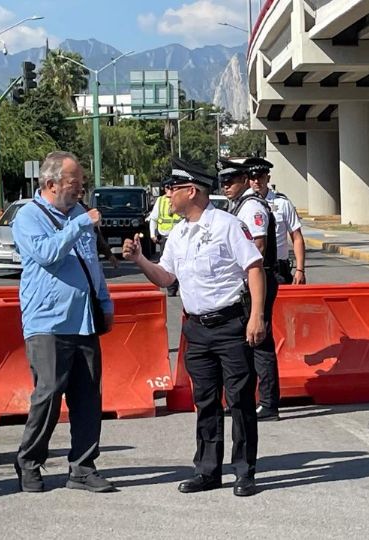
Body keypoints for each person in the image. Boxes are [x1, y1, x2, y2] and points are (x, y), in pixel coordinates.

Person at [121, 159, 266, 497]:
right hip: (196, 329)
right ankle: (208, 470)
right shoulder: (179, 233)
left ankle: (245, 471)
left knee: (240, 400)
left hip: (231, 324)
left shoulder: (228, 225)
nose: (168, 195)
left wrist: (257, 316)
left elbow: (254, 268)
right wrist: (140, 261)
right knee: (205, 401)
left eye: (173, 188)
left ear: (192, 191)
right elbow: (167, 277)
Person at [11, 151, 116, 494]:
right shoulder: (29, 216)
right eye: (74, 183)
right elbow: (47, 254)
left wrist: (104, 300)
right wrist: (80, 225)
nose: (80, 189)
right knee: (49, 394)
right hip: (48, 322)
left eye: (81, 183)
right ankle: (29, 461)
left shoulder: (80, 215)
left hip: (84, 320)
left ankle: (83, 467)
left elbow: (91, 264)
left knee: (88, 396)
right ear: (51, 184)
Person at [220, 160, 281, 422]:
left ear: (245, 180)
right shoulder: (240, 205)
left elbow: (258, 247)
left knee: (259, 341)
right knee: (249, 342)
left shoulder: (252, 207)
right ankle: (250, 399)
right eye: (223, 182)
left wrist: (244, 280)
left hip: (258, 279)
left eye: (231, 181)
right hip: (251, 279)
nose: (226, 187)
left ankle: (268, 403)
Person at [245, 157, 307, 285]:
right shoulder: (242, 204)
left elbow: (296, 237)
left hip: (278, 269)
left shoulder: (282, 203)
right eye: (253, 178)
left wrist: (300, 269)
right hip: (251, 267)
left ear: (268, 178)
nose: (257, 181)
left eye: (260, 177)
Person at [148, 188, 181, 295]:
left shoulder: (180, 199)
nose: (169, 192)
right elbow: (154, 218)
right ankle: (171, 289)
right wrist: (152, 234)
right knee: (167, 265)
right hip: (165, 237)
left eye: (172, 188)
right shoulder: (161, 201)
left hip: (181, 237)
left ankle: (179, 285)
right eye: (168, 188)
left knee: (180, 263)